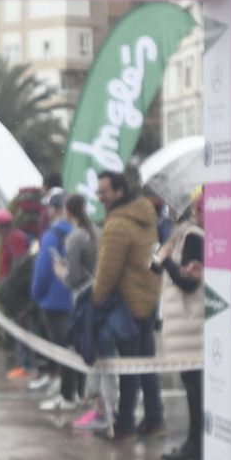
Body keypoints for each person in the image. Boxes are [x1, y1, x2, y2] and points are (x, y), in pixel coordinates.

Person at [92, 171, 163, 440]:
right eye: (98, 192)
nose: (100, 197)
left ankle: (125, 425)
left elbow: (107, 272)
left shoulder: (118, 225)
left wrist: (95, 301)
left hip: (127, 304)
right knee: (146, 366)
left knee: (128, 369)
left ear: (120, 191)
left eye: (104, 192)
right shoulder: (145, 216)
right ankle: (155, 420)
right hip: (148, 298)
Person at [53, 193, 112, 431]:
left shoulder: (74, 237)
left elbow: (74, 277)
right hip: (102, 296)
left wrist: (60, 271)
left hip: (83, 300)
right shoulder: (96, 232)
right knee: (102, 353)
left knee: (90, 351)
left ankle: (99, 410)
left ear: (67, 211)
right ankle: (102, 409)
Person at [155, 190, 205, 460]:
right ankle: (194, 444)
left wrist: (166, 262)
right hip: (185, 326)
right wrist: (161, 256)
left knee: (196, 391)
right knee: (193, 389)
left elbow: (189, 281)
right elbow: (157, 268)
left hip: (191, 325)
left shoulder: (194, 237)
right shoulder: (183, 234)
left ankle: (195, 446)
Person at [32, 193, 77, 411]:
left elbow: (43, 269)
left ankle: (66, 395)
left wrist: (37, 294)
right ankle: (76, 393)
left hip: (53, 300)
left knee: (62, 351)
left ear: (56, 209)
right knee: (74, 348)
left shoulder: (52, 235)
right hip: (75, 299)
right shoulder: (82, 233)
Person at [0, 208, 35, 380]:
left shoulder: (15, 238)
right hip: (10, 293)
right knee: (18, 327)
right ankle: (22, 363)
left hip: (17, 295)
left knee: (22, 327)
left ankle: (26, 365)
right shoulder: (8, 238)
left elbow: (19, 266)